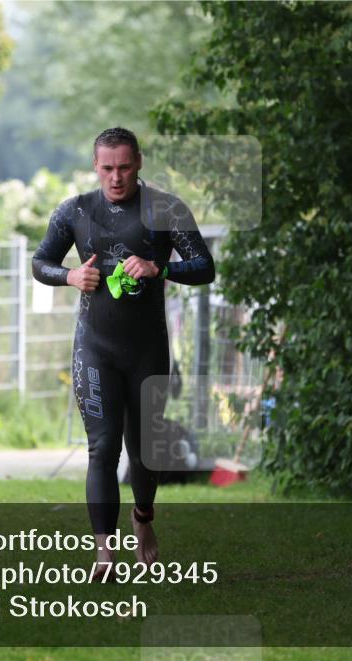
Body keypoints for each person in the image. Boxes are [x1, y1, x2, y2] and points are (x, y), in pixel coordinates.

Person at [32, 127, 215, 579]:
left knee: (144, 452)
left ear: (139, 163)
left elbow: (205, 267)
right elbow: (41, 263)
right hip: (95, 348)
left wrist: (161, 267)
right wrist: (70, 278)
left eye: (125, 167)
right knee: (103, 448)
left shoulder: (167, 209)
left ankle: (143, 519)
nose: (116, 177)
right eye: (107, 168)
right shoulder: (75, 210)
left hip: (147, 349)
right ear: (96, 166)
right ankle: (104, 553)